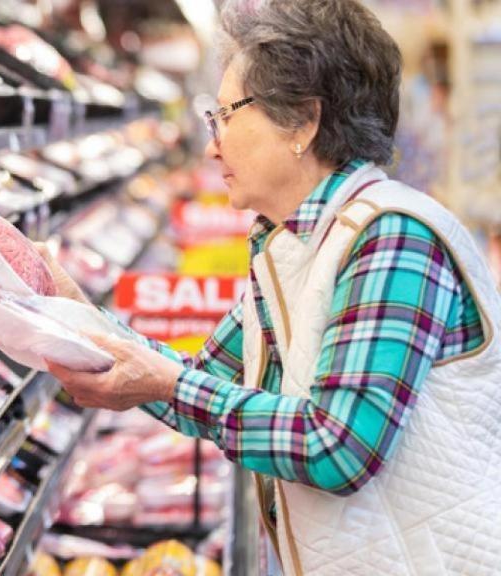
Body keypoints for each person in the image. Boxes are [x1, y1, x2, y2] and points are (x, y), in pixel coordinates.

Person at [40, 1, 501, 574]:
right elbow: (204, 380)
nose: (212, 145)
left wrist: (168, 383)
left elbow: (338, 447)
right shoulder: (292, 243)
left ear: (303, 123)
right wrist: (74, 317)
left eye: (226, 116)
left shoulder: (392, 237)